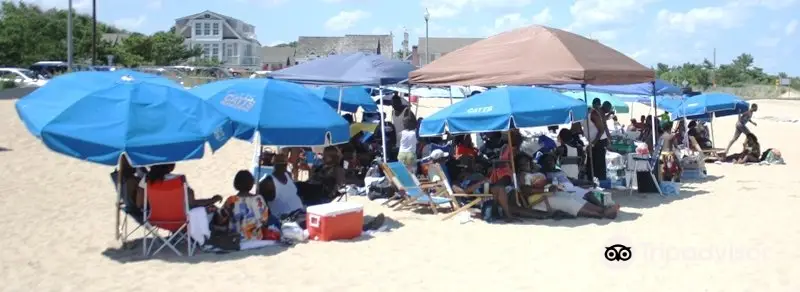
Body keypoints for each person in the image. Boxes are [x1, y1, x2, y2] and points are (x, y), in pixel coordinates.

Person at [258, 154, 386, 231]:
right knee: (330, 223)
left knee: (331, 218)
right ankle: (365, 228)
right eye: (281, 164)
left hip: (301, 211)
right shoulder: (268, 183)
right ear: (274, 166)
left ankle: (363, 226)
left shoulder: (288, 175)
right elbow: (262, 205)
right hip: (289, 219)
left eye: (284, 164)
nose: (284, 166)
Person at [529, 154, 619, 219]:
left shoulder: (559, 170)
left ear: (554, 161)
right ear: (543, 163)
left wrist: (587, 181)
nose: (549, 162)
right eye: (547, 161)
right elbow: (544, 184)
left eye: (551, 160)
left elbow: (572, 180)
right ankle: (603, 212)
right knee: (574, 198)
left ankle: (602, 208)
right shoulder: (543, 173)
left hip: (570, 186)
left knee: (588, 192)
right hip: (561, 188)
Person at [136, 163, 222, 209]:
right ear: (171, 166)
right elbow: (191, 203)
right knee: (201, 211)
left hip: (154, 219)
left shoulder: (146, 180)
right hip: (179, 219)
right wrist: (212, 200)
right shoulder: (179, 179)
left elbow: (139, 204)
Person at [219, 170, 270, 241]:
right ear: (251, 183)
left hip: (235, 240)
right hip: (256, 238)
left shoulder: (231, 200)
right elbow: (265, 220)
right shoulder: (258, 199)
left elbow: (221, 218)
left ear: (236, 183)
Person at [586, 98, 609, 181]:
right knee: (592, 163)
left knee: (599, 164)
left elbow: (602, 129)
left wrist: (592, 144)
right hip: (594, 141)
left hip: (599, 141)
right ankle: (592, 181)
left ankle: (601, 182)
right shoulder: (587, 114)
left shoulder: (594, 114)